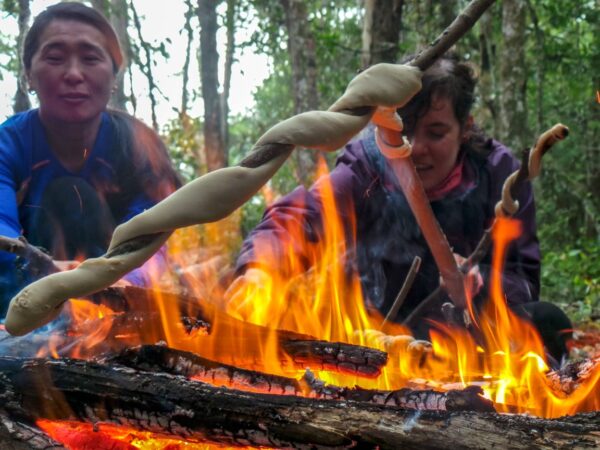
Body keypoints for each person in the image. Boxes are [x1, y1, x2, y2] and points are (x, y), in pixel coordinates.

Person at [229, 53, 572, 365]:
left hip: (469, 332)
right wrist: (261, 268)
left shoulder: (500, 174)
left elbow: (523, 276)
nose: (417, 149)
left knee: (548, 322)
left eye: (436, 133)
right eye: (405, 132)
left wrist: (478, 281)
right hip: (380, 331)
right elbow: (303, 214)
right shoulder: (366, 165)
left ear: (465, 128)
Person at [0, 2, 180, 318]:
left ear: (113, 77)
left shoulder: (135, 144)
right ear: (29, 74)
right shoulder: (10, 143)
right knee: (68, 195)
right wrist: (51, 279)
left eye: (91, 58)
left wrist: (121, 283)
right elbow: (3, 241)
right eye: (54, 58)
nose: (73, 74)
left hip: (116, 302)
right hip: (25, 303)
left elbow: (153, 238)